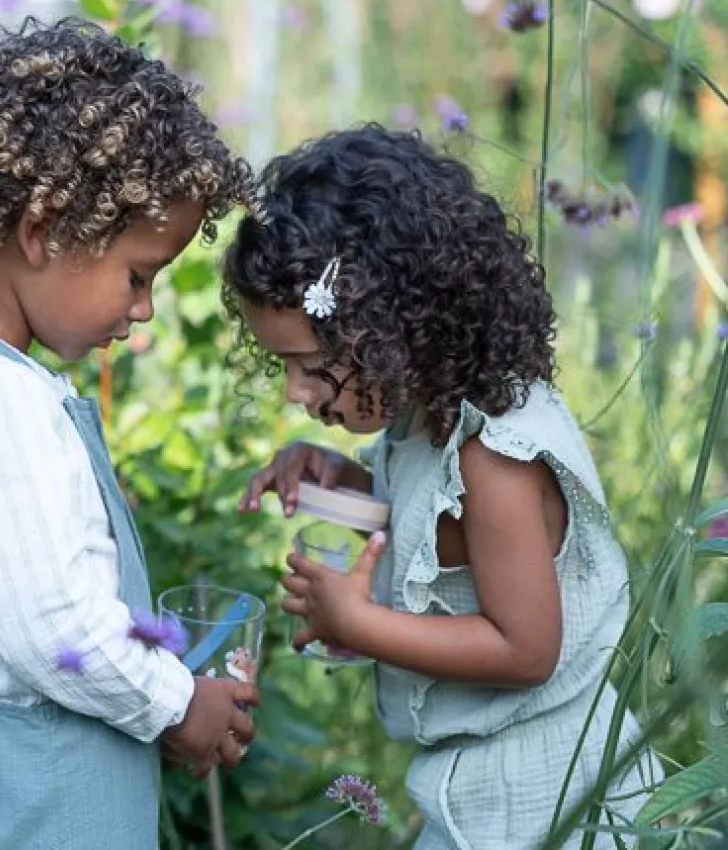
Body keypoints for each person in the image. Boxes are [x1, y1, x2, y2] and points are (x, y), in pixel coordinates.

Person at [0, 17, 258, 849]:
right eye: (138, 274)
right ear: (43, 230)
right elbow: (57, 629)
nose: (144, 308)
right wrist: (179, 703)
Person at [223, 123, 659, 849]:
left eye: (307, 363)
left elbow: (526, 650)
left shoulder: (494, 453)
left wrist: (357, 625)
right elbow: (439, 529)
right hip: (483, 793)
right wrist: (346, 478)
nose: (296, 392)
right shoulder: (428, 416)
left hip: (546, 806)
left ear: (388, 327)